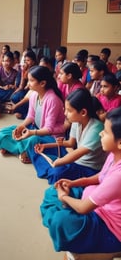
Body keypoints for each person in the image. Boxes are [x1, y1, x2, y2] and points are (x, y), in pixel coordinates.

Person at [40, 106, 121, 253]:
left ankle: (59, 217)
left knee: (61, 221)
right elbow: (101, 176)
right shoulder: (114, 154)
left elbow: (84, 208)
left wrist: (64, 197)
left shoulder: (119, 176)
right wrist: (75, 182)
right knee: (52, 191)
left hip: (110, 229)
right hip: (96, 204)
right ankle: (60, 214)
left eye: (106, 132)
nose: (101, 133)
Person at [33, 88, 106, 184]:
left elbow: (77, 155)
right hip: (76, 158)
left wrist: (59, 162)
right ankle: (50, 170)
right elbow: (70, 143)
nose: (65, 113)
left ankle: (50, 171)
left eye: (69, 110)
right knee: (37, 149)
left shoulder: (96, 128)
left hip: (89, 168)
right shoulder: (77, 121)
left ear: (83, 112)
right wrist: (46, 146)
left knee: (56, 172)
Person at [0, 65, 66, 163]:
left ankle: (19, 150)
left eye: (31, 80)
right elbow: (31, 116)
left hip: (49, 136)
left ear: (42, 83)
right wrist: (21, 127)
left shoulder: (53, 99)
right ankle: (23, 151)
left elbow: (49, 129)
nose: (28, 83)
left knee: (32, 140)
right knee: (2, 133)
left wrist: (31, 133)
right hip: (34, 129)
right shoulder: (34, 94)